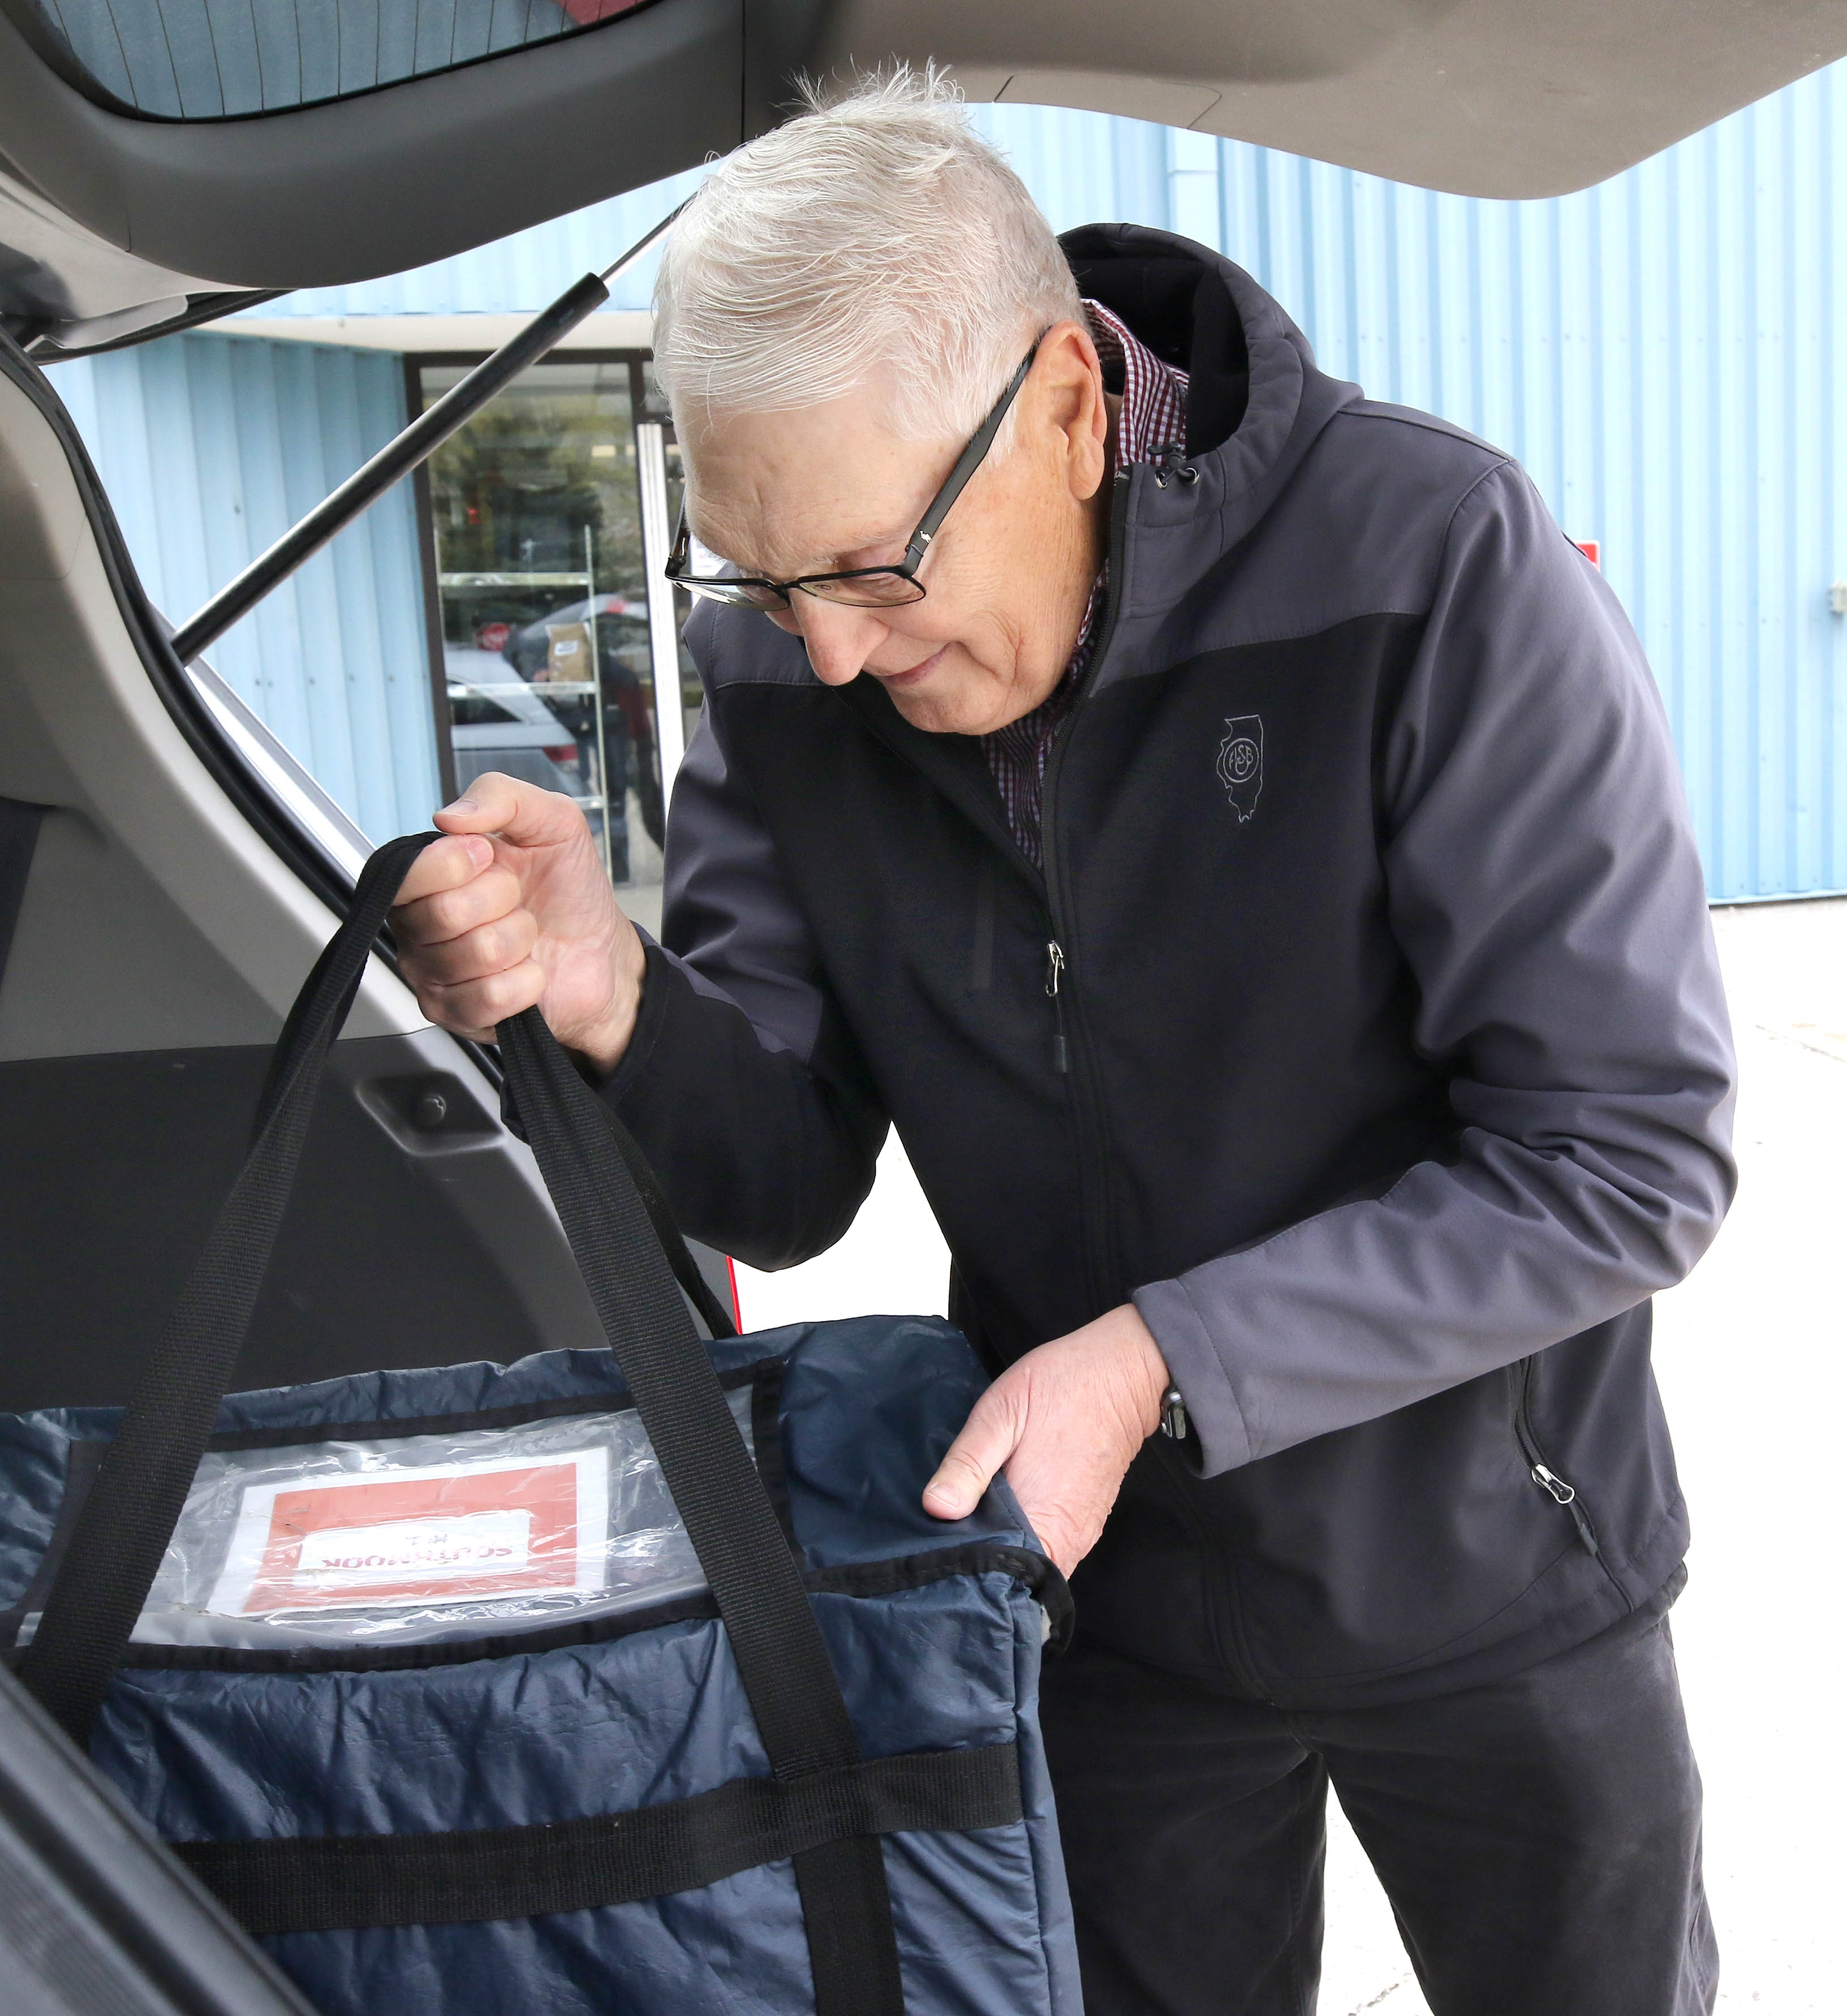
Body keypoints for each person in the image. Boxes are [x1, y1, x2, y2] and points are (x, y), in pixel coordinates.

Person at [391, 71, 1734, 2016]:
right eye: (759, 577)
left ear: (1068, 405)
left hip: (1491, 1572)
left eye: (868, 565)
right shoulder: (790, 661)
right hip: (1100, 1598)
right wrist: (605, 992)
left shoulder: (1429, 559)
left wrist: (1163, 1356)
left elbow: (1623, 1155)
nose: (826, 650)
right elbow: (782, 1164)